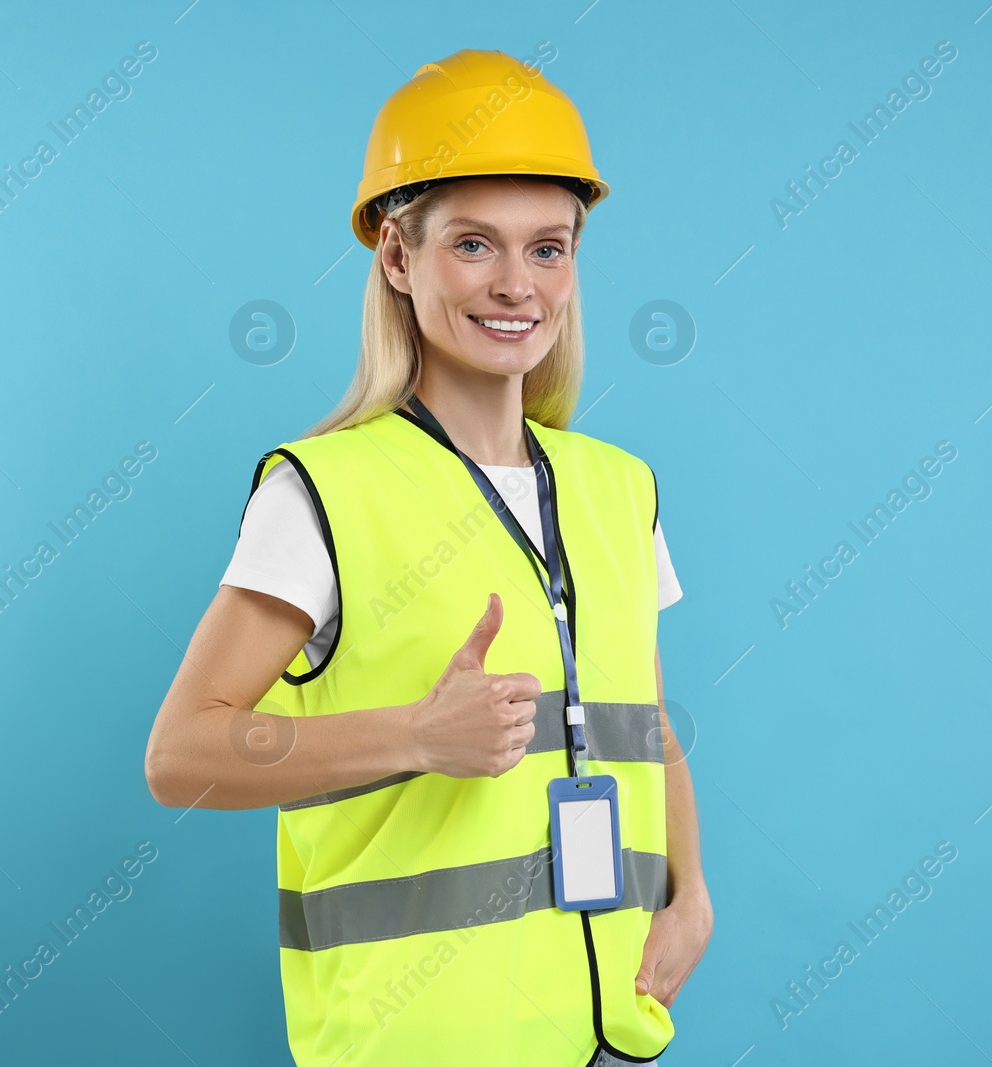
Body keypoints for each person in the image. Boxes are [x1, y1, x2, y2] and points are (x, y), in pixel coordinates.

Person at [144, 49, 712, 1067]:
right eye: (472, 244)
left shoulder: (619, 486)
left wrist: (692, 891)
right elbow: (181, 753)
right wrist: (415, 733)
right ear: (398, 259)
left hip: (609, 1032)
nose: (514, 284)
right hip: (416, 1040)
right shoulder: (321, 491)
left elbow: (642, 718)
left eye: (549, 249)